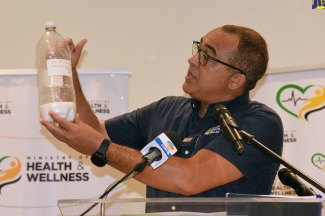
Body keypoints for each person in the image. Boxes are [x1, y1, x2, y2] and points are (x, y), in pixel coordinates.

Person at [40, 25, 283, 212]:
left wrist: (99, 146)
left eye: (207, 57)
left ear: (236, 80)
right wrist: (68, 72)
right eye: (198, 49)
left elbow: (189, 178)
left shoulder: (258, 123)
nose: (192, 60)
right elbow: (96, 133)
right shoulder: (166, 109)